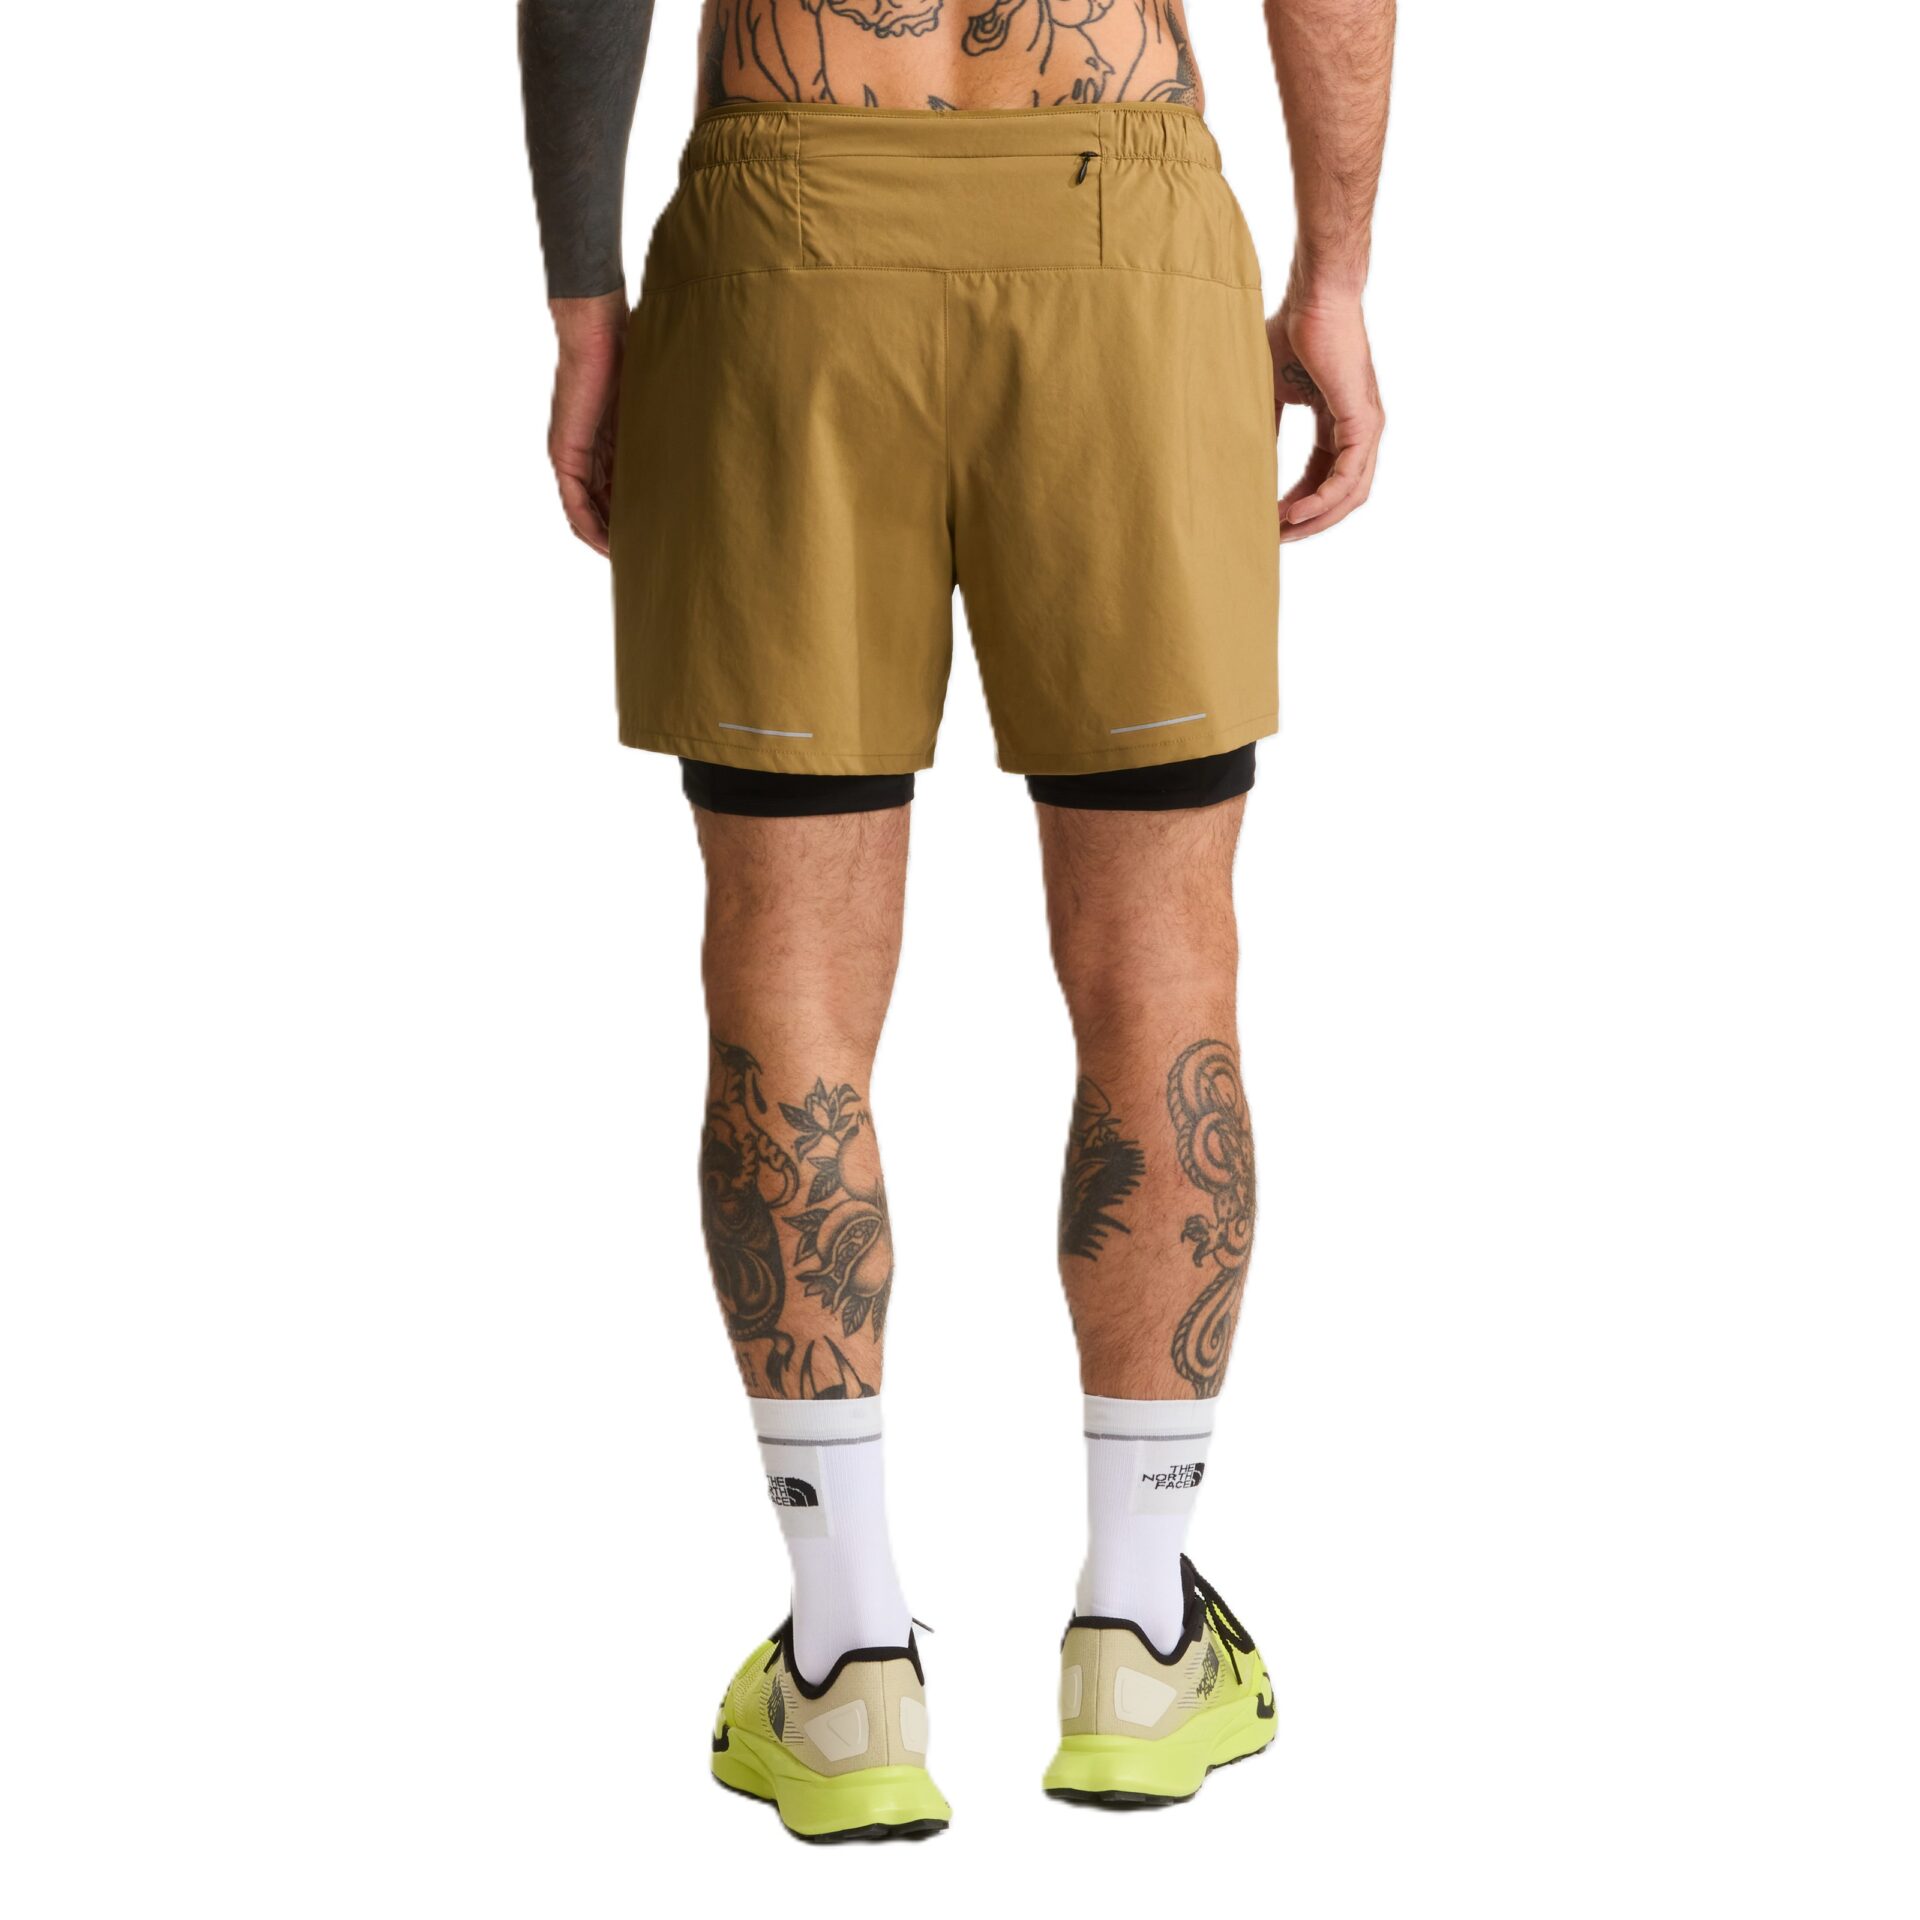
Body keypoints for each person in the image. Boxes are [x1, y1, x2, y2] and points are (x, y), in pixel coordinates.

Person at [520, 0, 1392, 1841]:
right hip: (1118, 225)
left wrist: (586, 304)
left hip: (788, 234)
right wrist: (1335, 273)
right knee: (1165, 963)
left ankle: (846, 1672)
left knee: (784, 972)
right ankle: (1139, 1637)